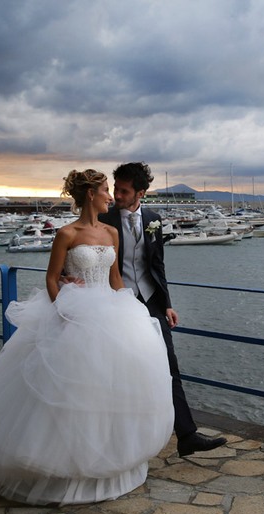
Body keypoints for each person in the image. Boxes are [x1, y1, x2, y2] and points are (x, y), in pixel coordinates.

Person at [0, 169, 174, 506]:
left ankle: (108, 462)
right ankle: (61, 467)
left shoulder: (111, 231)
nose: (110, 196)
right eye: (105, 191)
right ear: (90, 195)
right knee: (67, 391)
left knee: (108, 389)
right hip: (73, 313)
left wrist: (131, 311)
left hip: (110, 313)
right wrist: (64, 310)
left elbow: (115, 280)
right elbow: (53, 278)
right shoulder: (66, 233)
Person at [98, 162, 227, 457]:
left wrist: (167, 303)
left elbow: (157, 266)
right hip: (115, 303)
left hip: (152, 301)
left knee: (169, 365)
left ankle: (187, 435)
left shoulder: (154, 219)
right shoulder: (103, 218)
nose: (117, 194)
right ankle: (120, 435)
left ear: (140, 193)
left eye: (124, 190)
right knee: (117, 369)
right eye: (116, 188)